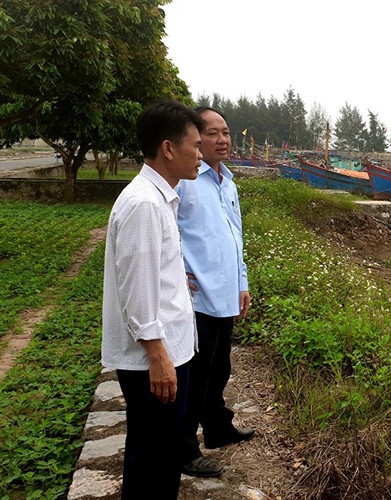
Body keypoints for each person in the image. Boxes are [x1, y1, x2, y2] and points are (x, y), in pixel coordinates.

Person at [101, 99, 204, 499]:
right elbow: (137, 292)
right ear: (168, 149)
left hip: (169, 353)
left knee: (161, 453)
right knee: (154, 459)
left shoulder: (158, 198)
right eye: (195, 146)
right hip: (156, 361)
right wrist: (159, 357)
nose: (200, 155)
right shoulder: (144, 204)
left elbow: (152, 273)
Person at [176, 107, 254, 477]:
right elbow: (166, 230)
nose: (222, 140)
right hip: (197, 298)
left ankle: (218, 428)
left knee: (220, 368)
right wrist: (175, 270)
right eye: (212, 133)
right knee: (195, 376)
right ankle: (184, 449)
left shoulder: (228, 183)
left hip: (226, 293)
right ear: (195, 138)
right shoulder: (185, 181)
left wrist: (242, 283)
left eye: (226, 132)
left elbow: (235, 238)